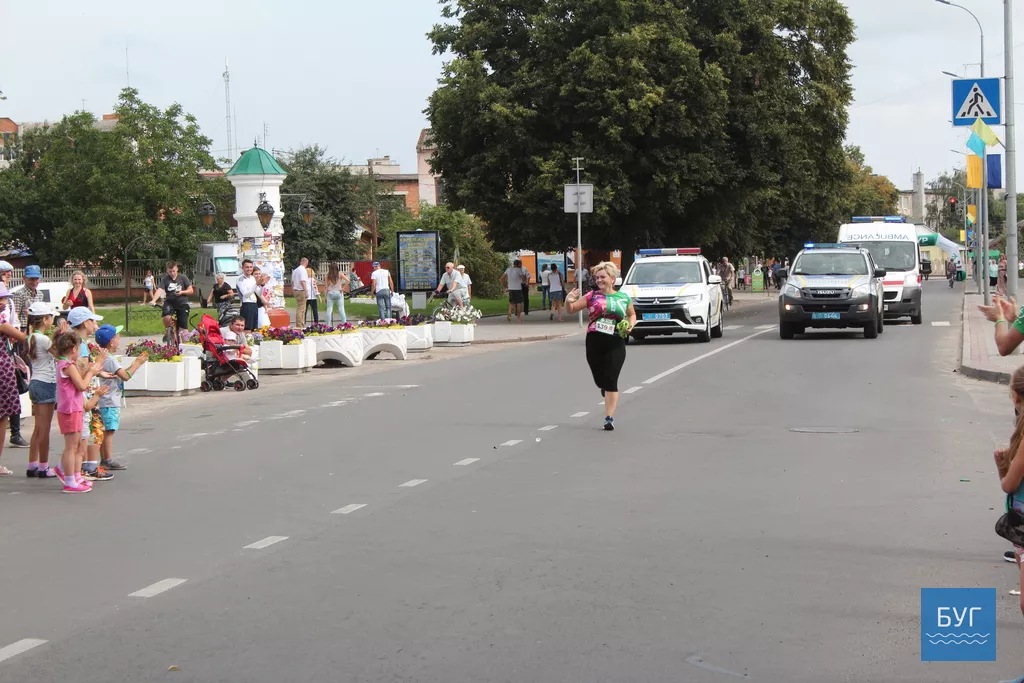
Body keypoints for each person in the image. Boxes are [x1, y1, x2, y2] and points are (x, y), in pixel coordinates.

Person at [564, 261, 636, 431]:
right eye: (597, 278)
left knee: (611, 379)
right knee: (599, 379)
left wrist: (630, 325)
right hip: (595, 342)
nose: (599, 280)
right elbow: (572, 309)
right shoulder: (591, 296)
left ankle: (609, 418)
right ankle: (604, 387)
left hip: (616, 341)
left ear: (612, 279)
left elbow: (632, 314)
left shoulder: (623, 298)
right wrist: (568, 300)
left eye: (602, 277)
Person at [53, 331, 107, 493]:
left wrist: (91, 369)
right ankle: (70, 480)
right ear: (74, 349)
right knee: (71, 447)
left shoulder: (65, 364)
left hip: (73, 407)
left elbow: (78, 381)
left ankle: (75, 477)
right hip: (70, 409)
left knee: (75, 446)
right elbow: (82, 386)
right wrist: (91, 372)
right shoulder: (67, 365)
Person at [95, 324, 147, 473]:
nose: (119, 339)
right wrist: (137, 364)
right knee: (109, 430)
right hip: (110, 399)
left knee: (107, 430)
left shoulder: (106, 357)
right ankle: (108, 459)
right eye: (117, 337)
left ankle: (105, 458)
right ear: (112, 342)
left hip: (108, 398)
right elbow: (125, 376)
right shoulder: (110, 360)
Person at [26, 302, 60, 479]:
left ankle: (32, 464)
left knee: (38, 427)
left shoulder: (31, 337)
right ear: (45, 319)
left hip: (35, 381)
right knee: (45, 428)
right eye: (51, 317)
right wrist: (60, 334)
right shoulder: (44, 339)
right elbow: (59, 353)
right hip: (47, 383)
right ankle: (43, 466)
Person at [0, 283, 27, 476]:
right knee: (2, 417)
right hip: (2, 370)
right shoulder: (2, 322)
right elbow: (22, 337)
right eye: (1, 299)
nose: (4, 302)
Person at [156, 261, 194, 345]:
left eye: (174, 271)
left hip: (182, 303)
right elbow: (159, 290)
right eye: (170, 271)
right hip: (170, 303)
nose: (172, 273)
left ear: (177, 268)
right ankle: (170, 332)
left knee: (183, 328)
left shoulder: (183, 278)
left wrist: (182, 292)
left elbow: (191, 290)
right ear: (167, 271)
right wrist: (153, 300)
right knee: (166, 317)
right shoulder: (165, 280)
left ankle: (185, 347)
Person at [236, 260, 259, 331]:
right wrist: (256, 284)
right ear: (242, 268)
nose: (249, 269)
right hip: (247, 304)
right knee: (247, 329)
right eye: (247, 267)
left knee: (254, 329)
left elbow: (258, 293)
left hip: (254, 304)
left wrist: (262, 285)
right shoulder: (240, 279)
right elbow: (245, 294)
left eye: (251, 267)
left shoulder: (252, 278)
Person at [291, 258, 311, 328]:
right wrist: (306, 291)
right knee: (301, 309)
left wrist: (293, 289)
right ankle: (300, 325)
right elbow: (303, 281)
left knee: (299, 308)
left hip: (296, 290)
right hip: (301, 290)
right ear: (306, 262)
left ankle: (299, 324)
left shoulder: (295, 270)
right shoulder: (303, 270)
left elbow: (292, 282)